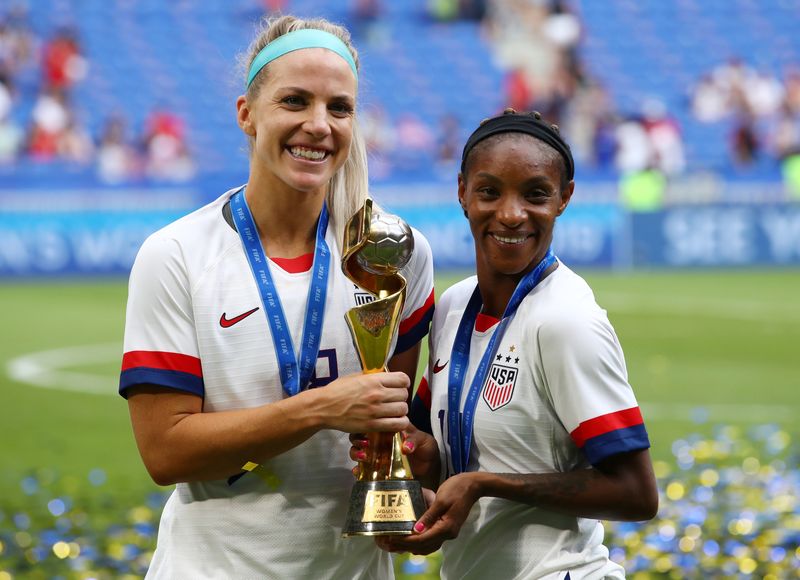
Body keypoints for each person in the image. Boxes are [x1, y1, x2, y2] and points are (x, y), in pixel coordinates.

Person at [119, 15, 435, 579]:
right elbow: (165, 453)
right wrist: (323, 408)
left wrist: (408, 470)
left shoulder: (394, 254)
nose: (319, 125)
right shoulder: (176, 255)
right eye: (294, 101)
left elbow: (396, 425)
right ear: (247, 113)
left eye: (339, 108)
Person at [354, 109, 658, 579]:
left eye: (535, 194)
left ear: (564, 198)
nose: (512, 214)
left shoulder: (566, 320)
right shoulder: (453, 308)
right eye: (490, 191)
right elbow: (438, 451)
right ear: (462, 193)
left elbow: (636, 493)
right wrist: (409, 455)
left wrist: (483, 485)